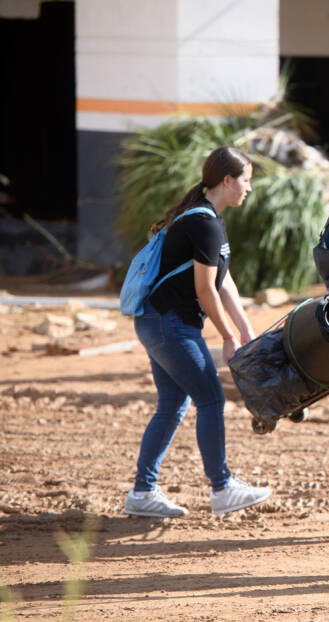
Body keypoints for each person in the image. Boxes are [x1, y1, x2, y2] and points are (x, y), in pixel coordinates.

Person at [124, 146, 272, 518]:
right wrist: (228, 337)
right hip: (168, 325)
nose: (249, 188)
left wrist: (245, 328)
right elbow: (205, 291)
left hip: (158, 322)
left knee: (173, 404)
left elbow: (223, 281)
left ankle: (142, 493)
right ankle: (222, 488)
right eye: (246, 181)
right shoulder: (203, 222)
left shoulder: (206, 219)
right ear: (227, 180)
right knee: (210, 399)